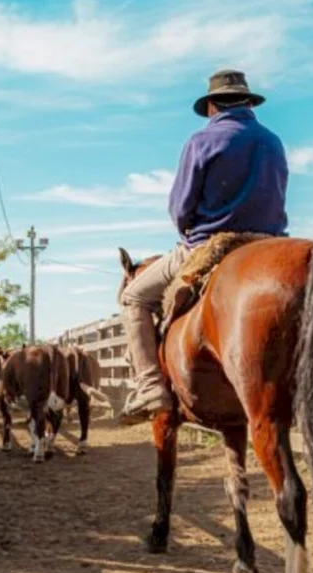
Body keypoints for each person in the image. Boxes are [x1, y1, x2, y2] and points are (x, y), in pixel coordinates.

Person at [118, 68, 290, 425]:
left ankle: (150, 385)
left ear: (212, 106)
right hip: (268, 241)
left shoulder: (201, 141)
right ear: (248, 102)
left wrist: (187, 231)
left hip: (210, 244)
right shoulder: (273, 140)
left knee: (133, 298)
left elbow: (179, 207)